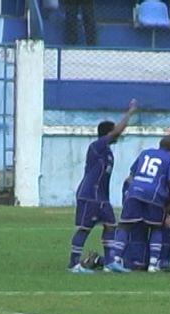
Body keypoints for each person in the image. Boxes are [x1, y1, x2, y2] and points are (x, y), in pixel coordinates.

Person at [67, 99, 138, 274]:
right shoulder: (97, 146)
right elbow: (117, 132)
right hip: (89, 195)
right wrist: (130, 112)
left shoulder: (108, 152)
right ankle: (74, 264)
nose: (119, 136)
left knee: (111, 226)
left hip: (102, 198)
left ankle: (109, 262)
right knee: (84, 228)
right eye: (115, 133)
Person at [106, 136, 170, 273]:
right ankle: (153, 265)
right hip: (155, 194)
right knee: (156, 227)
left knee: (125, 225)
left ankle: (114, 260)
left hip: (134, 191)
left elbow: (132, 174)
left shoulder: (145, 153)